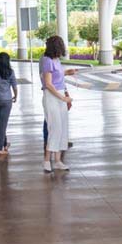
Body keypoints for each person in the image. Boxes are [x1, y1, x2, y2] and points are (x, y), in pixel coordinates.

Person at [41, 36, 71, 172]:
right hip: (52, 97)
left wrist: (67, 73)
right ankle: (47, 161)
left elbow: (58, 76)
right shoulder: (47, 61)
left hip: (59, 95)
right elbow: (48, 84)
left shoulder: (56, 60)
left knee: (62, 127)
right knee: (55, 128)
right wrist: (62, 97)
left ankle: (58, 160)